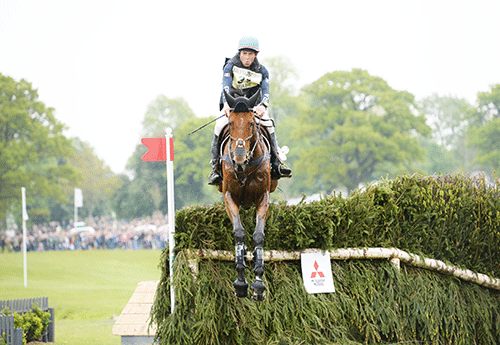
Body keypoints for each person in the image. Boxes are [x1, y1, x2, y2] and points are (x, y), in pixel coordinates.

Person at [208, 35, 292, 185]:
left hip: (253, 107)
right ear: (240, 54)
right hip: (232, 106)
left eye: (250, 54)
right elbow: (225, 86)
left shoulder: (262, 70)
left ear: (255, 55)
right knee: (218, 126)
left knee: (269, 124)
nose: (247, 57)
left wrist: (263, 105)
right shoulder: (230, 66)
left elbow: (266, 91)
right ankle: (215, 167)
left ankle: (277, 163)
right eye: (244, 53)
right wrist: (226, 104)